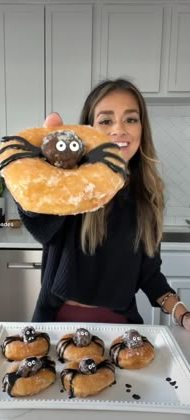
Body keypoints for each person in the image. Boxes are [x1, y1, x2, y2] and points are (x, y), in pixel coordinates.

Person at [18, 78, 190, 331]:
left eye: (131, 119)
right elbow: (37, 219)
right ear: (89, 129)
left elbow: (150, 275)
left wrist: (182, 313)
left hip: (121, 330)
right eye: (106, 120)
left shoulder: (148, 198)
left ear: (142, 128)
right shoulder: (69, 185)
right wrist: (42, 171)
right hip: (56, 326)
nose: (119, 129)